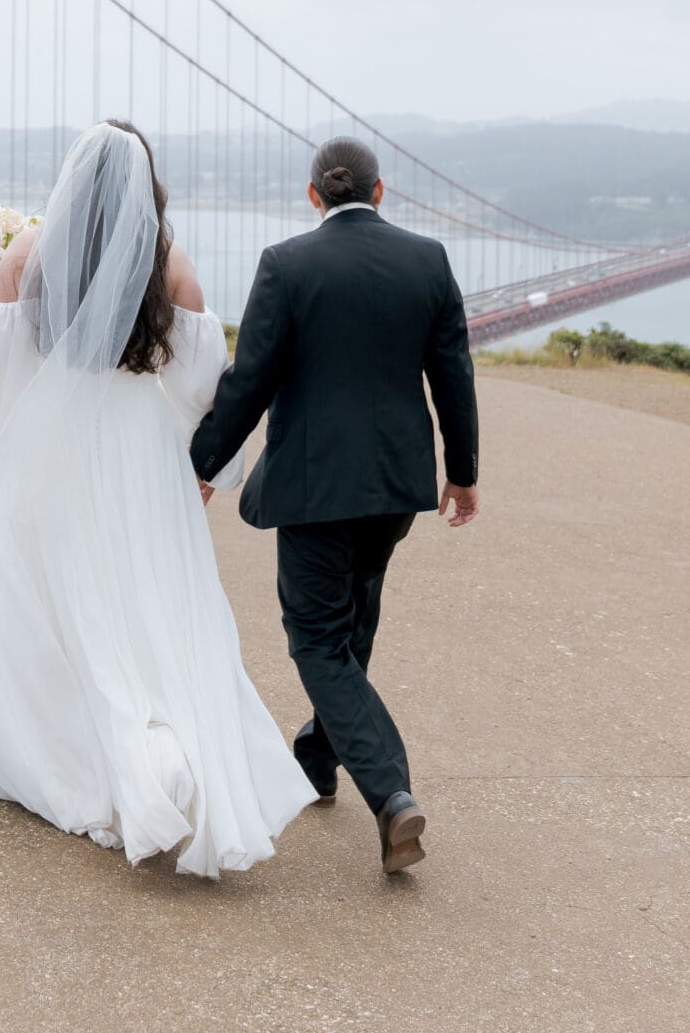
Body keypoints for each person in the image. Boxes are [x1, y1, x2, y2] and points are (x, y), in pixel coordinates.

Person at [0, 121, 316, 877]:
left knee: (37, 598)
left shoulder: (26, 255)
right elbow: (201, 389)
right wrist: (205, 473)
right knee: (139, 602)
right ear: (143, 184)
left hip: (48, 450)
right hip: (139, 452)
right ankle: (159, 753)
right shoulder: (173, 265)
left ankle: (81, 751)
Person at [190, 135, 479, 876]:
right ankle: (318, 761)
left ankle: (390, 792)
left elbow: (249, 380)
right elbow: (452, 374)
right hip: (396, 484)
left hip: (316, 486)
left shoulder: (286, 264)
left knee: (317, 638)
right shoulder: (429, 260)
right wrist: (463, 471)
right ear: (380, 193)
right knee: (352, 621)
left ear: (312, 194)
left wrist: (200, 463)